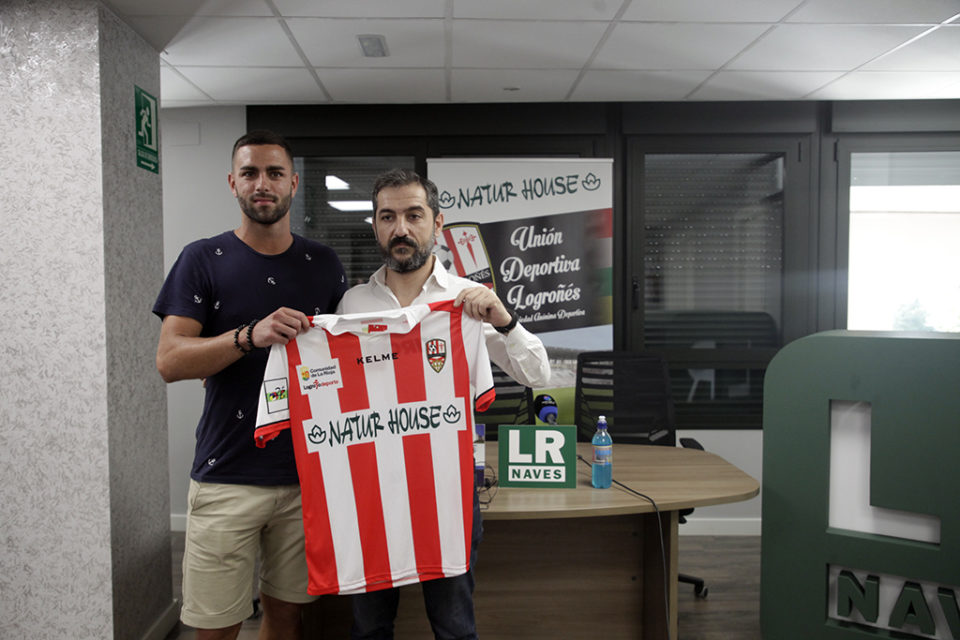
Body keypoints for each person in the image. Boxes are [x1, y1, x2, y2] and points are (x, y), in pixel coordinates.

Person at [339, 168, 551, 640]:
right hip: (372, 484)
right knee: (369, 624)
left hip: (449, 484)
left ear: (437, 223)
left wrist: (504, 320)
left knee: (454, 624)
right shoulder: (352, 305)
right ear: (375, 226)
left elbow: (538, 374)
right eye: (388, 217)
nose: (401, 229)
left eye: (414, 215)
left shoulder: (467, 300)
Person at [153, 130, 347, 639]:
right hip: (228, 472)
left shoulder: (325, 264)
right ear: (233, 183)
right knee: (216, 624)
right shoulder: (202, 259)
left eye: (275, 173)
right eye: (250, 173)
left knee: (288, 614)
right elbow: (170, 360)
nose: (263, 184)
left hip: (307, 474)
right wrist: (247, 335)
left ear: (293, 183)